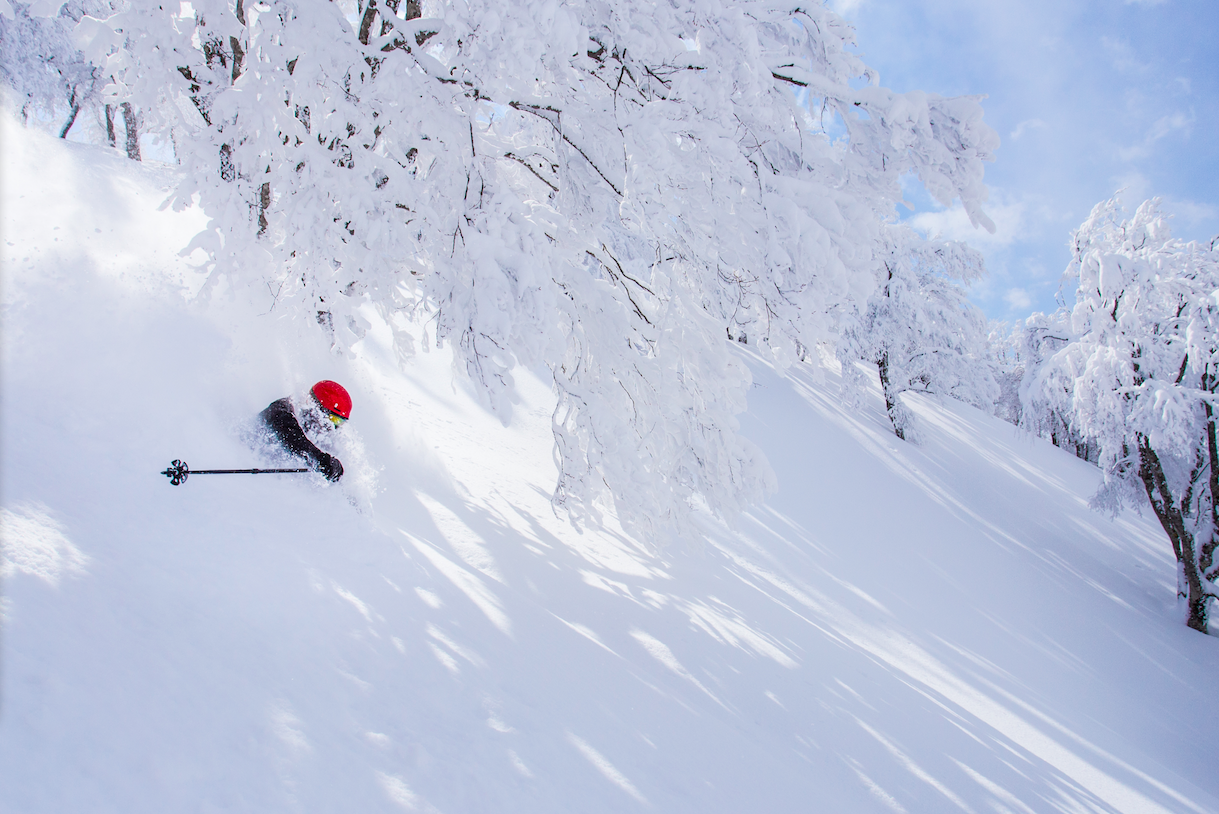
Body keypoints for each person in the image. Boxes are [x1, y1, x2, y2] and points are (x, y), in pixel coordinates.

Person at [260, 380, 351, 482]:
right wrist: (321, 459)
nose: (332, 427)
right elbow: (293, 438)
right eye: (332, 419)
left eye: (339, 422)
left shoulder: (317, 430)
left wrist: (336, 470)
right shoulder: (281, 411)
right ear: (316, 407)